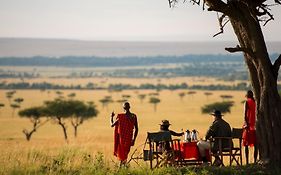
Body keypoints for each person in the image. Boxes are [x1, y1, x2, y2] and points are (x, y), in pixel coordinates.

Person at [110, 102, 138, 166]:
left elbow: (112, 125)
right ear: (129, 107)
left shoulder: (120, 117)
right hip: (129, 139)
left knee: (123, 155)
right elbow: (136, 129)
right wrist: (133, 139)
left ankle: (122, 168)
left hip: (121, 140)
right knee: (125, 154)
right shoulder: (133, 116)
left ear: (123, 108)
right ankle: (123, 167)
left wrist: (111, 117)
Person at [242, 90, 258, 164]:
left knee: (246, 144)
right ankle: (255, 161)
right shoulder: (255, 102)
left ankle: (247, 162)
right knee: (256, 144)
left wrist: (246, 124)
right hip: (256, 126)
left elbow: (245, 115)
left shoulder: (246, 102)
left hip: (248, 126)